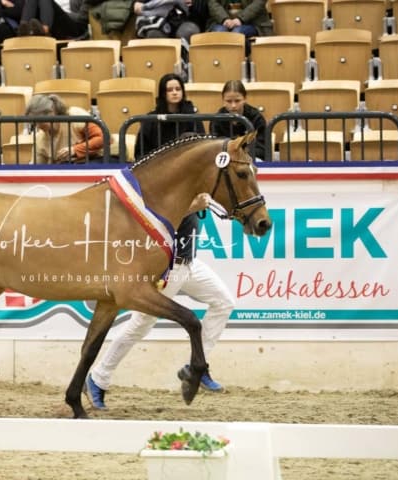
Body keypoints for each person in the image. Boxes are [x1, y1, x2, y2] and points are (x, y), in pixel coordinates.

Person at [84, 73, 234, 410]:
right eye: (169, 88)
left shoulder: (198, 168)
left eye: (178, 87)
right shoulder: (167, 191)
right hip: (167, 264)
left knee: (223, 302)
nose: (175, 92)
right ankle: (98, 378)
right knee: (140, 324)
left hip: (188, 262)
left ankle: (197, 366)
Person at [135, 72, 204, 158]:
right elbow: (141, 151)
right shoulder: (151, 119)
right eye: (169, 90)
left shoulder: (192, 116)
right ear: (163, 93)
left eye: (178, 89)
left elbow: (202, 145)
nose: (175, 93)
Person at [24, 93, 106, 164]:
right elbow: (37, 169)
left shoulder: (74, 115)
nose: (37, 126)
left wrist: (75, 150)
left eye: (38, 121)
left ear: (51, 112)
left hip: (95, 161)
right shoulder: (40, 139)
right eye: (34, 122)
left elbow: (104, 138)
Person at [209, 79, 266, 161]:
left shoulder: (256, 118)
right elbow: (215, 147)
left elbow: (262, 149)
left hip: (249, 159)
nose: (233, 105)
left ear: (245, 98)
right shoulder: (217, 119)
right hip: (225, 159)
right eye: (229, 101)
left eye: (237, 101)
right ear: (223, 100)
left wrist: (239, 154)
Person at [206, 0, 273, 54]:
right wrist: (224, 19)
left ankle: (238, 65)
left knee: (236, 34)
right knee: (220, 33)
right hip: (220, 21)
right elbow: (212, 3)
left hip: (252, 22)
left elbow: (259, 2)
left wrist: (241, 19)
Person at [134, 0, 200, 42]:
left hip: (179, 18)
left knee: (190, 32)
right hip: (155, 22)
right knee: (154, 36)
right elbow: (137, 8)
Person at [19, 0, 88, 39]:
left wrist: (61, 12)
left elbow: (82, 18)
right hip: (52, 24)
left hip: (73, 25)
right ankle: (24, 29)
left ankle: (45, 29)